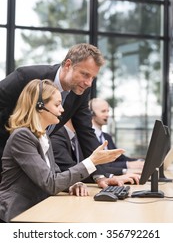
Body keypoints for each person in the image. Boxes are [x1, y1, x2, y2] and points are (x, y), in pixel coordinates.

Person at [0, 79, 125, 222]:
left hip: (39, 208)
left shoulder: (43, 135)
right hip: (18, 214)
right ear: (40, 106)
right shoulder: (22, 137)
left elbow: (56, 174)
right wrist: (92, 161)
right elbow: (50, 183)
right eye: (57, 104)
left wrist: (72, 184)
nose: (62, 110)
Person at [0, 43, 105, 180]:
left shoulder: (81, 92)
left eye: (92, 78)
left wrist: (100, 175)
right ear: (68, 65)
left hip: (37, 163)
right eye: (85, 75)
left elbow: (85, 130)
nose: (88, 83)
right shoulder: (26, 76)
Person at [51, 119, 141, 186]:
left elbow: (83, 168)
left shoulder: (78, 138)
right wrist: (120, 173)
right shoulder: (57, 136)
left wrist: (104, 177)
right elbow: (72, 170)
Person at [89, 98, 144, 174]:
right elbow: (102, 164)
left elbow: (120, 157)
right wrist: (128, 165)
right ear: (92, 113)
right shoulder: (88, 137)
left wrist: (139, 162)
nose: (107, 115)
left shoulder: (107, 136)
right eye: (103, 111)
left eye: (108, 111)